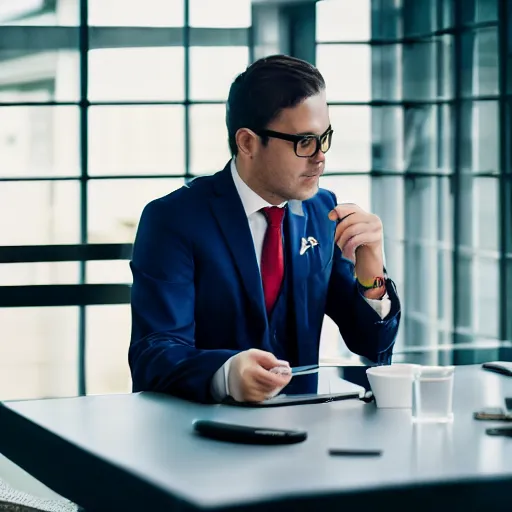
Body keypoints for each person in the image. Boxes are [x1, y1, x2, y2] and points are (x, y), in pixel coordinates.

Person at [129, 54, 401, 404]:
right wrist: (225, 374)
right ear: (247, 143)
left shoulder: (323, 211)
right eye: (305, 141)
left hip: (306, 435)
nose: (320, 157)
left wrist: (372, 269)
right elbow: (153, 354)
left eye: (325, 137)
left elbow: (372, 344)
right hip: (204, 438)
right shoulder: (173, 219)